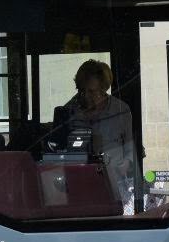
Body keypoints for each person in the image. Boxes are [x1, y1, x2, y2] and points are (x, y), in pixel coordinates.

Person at [50, 59, 141, 214]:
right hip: (79, 184)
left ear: (104, 88)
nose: (85, 97)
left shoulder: (120, 110)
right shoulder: (69, 111)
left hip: (114, 184)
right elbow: (57, 150)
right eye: (81, 91)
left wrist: (125, 164)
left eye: (91, 92)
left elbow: (130, 147)